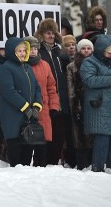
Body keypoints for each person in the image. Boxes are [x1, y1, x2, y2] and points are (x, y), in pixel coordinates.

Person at [80, 35, 111, 172]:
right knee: (102, 140)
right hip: (99, 108)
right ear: (101, 50)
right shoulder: (89, 62)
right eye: (109, 52)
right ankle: (98, 169)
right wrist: (110, 78)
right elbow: (89, 80)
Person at [0, 37, 42, 167]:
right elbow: (9, 91)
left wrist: (36, 106)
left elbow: (37, 88)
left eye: (24, 50)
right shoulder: (6, 68)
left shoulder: (27, 67)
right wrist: (25, 107)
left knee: (27, 157)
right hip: (13, 118)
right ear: (12, 52)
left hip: (28, 119)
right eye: (19, 51)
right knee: (16, 158)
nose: (23, 53)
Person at [36, 18, 73, 166]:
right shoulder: (39, 52)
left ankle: (53, 162)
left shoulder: (61, 51)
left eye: (53, 33)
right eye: (47, 33)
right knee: (47, 135)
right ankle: (45, 163)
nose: (51, 36)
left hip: (62, 98)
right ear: (42, 34)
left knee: (60, 135)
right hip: (46, 100)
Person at [25, 36, 60, 167]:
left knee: (42, 144)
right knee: (28, 143)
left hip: (44, 110)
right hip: (27, 110)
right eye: (30, 48)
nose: (33, 51)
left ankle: (42, 168)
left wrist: (54, 107)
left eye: (35, 48)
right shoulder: (22, 65)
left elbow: (52, 87)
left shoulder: (45, 65)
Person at [67, 39, 94, 169]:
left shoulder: (96, 64)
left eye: (89, 48)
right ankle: (82, 165)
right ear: (79, 50)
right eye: (83, 48)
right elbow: (71, 90)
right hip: (79, 104)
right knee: (79, 134)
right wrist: (75, 108)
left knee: (93, 135)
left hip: (94, 104)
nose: (86, 51)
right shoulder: (72, 66)